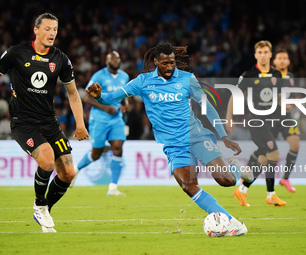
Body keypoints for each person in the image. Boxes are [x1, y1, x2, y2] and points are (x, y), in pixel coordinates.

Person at [86, 43, 253, 236]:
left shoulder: (187, 79)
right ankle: (231, 222)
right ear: (156, 62)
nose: (169, 67)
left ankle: (235, 167)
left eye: (172, 62)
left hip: (195, 136)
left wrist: (223, 136)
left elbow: (207, 106)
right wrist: (99, 96)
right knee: (188, 185)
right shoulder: (142, 81)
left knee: (226, 181)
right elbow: (110, 98)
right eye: (164, 63)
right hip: (173, 144)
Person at [0, 13, 89, 232]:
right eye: (48, 29)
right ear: (36, 30)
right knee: (48, 161)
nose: (52, 33)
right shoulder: (16, 53)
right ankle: (40, 205)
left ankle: (44, 208)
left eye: (55, 30)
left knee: (68, 173)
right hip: (23, 123)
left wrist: (80, 123)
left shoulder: (60, 59)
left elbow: (73, 93)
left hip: (49, 122)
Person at [226, 40, 286, 207]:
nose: (263, 55)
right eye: (260, 53)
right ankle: (271, 194)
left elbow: (278, 97)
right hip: (256, 121)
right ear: (255, 55)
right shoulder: (248, 75)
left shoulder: (276, 75)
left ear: (270, 54)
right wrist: (229, 117)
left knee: (263, 158)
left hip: (271, 121)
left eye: (266, 52)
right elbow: (234, 95)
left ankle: (242, 190)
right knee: (273, 154)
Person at [70, 51, 129, 196]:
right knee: (96, 153)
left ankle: (113, 188)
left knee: (118, 147)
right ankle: (75, 170)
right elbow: (86, 97)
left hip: (116, 119)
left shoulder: (124, 76)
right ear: (107, 61)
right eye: (113, 58)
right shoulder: (99, 76)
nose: (116, 60)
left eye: (118, 58)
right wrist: (104, 107)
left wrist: (125, 104)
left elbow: (126, 95)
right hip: (99, 119)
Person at [272, 49, 300, 192]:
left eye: (285, 58)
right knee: (265, 151)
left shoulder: (290, 77)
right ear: (274, 61)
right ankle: (247, 176)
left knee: (295, 144)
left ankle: (285, 178)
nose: (282, 60)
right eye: (279, 58)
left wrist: (294, 101)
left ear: (289, 61)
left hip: (286, 117)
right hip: (271, 117)